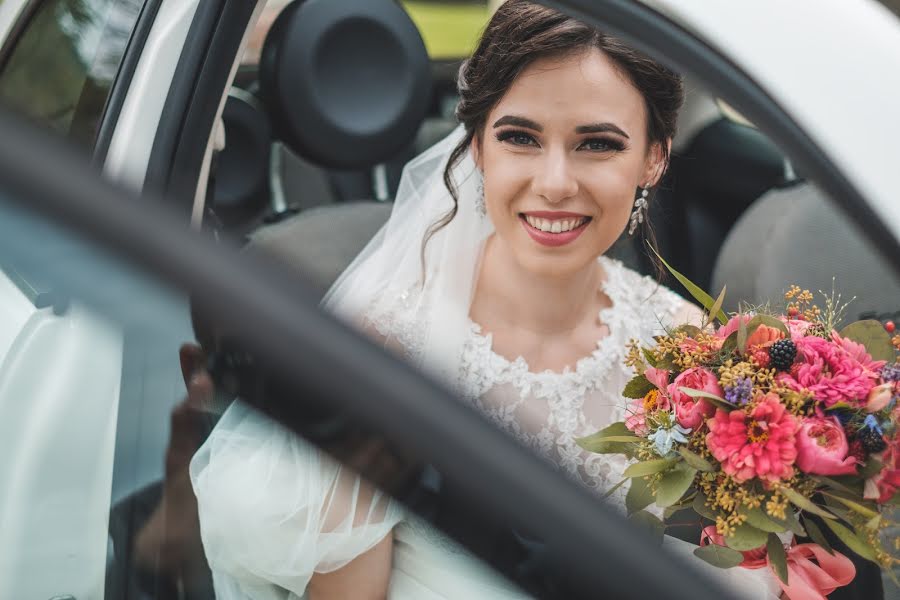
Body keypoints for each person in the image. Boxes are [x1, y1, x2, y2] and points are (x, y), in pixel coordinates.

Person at [190, 2, 784, 598]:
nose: (554, 183)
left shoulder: (694, 353)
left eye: (597, 144)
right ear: (477, 147)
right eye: (520, 138)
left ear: (653, 158)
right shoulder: (384, 356)